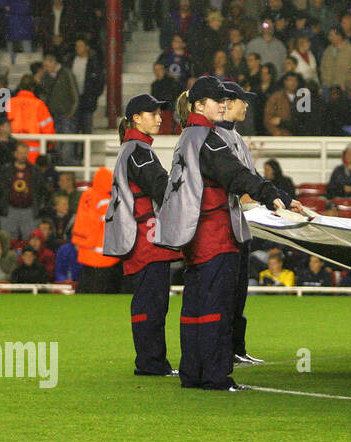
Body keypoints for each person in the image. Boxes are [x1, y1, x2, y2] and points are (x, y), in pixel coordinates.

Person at [154, 76, 294, 392]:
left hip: (195, 235)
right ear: (200, 105)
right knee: (217, 307)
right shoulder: (209, 137)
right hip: (215, 234)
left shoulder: (187, 135)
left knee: (195, 307)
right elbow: (234, 174)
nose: (223, 105)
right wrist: (271, 192)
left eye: (224, 100)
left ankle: (193, 372)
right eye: (217, 100)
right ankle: (216, 376)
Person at [103, 94, 181, 376]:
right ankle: (151, 362)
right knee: (153, 301)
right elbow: (160, 188)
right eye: (153, 113)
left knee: (152, 300)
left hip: (141, 238)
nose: (160, 118)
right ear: (136, 118)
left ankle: (152, 361)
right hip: (146, 239)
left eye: (160, 113)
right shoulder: (138, 151)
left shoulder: (132, 148)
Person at [219, 82, 265, 364]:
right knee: (229, 290)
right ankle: (227, 348)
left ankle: (236, 347)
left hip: (239, 222)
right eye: (243, 101)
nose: (246, 105)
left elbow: (252, 177)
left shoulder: (234, 136)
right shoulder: (219, 138)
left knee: (239, 289)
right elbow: (243, 181)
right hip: (226, 225)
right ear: (229, 103)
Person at [72, 166, 123, 293]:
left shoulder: (87, 196)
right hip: (102, 254)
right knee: (101, 289)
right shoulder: (105, 201)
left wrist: (79, 242)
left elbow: (82, 220)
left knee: (86, 286)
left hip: (85, 248)